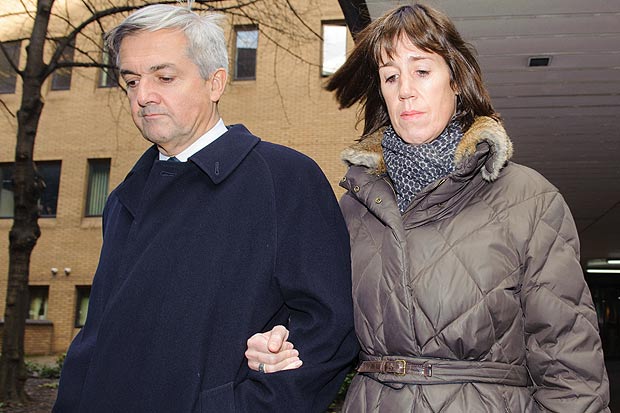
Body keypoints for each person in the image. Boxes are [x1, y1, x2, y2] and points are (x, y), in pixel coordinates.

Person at [245, 3, 611, 412]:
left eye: (421, 71)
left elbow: (571, 368)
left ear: (455, 80)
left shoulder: (529, 200)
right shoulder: (353, 209)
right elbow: (328, 332)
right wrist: (281, 345)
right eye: (390, 76)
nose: (405, 89)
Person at [53, 4, 358, 412]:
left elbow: (330, 330)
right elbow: (97, 338)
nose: (143, 96)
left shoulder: (283, 179)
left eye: (164, 77)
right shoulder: (122, 199)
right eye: (131, 81)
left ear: (215, 83)